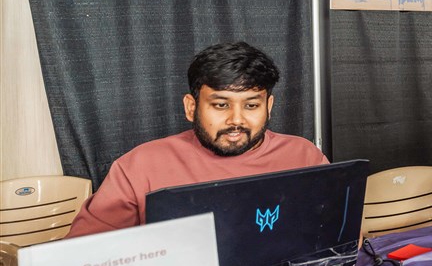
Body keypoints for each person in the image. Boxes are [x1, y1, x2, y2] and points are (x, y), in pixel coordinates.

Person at [68, 41, 328, 237]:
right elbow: (82, 256)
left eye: (251, 106)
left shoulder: (303, 155)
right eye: (221, 105)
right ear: (191, 107)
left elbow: (335, 232)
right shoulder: (139, 166)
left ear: (268, 107)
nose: (236, 120)